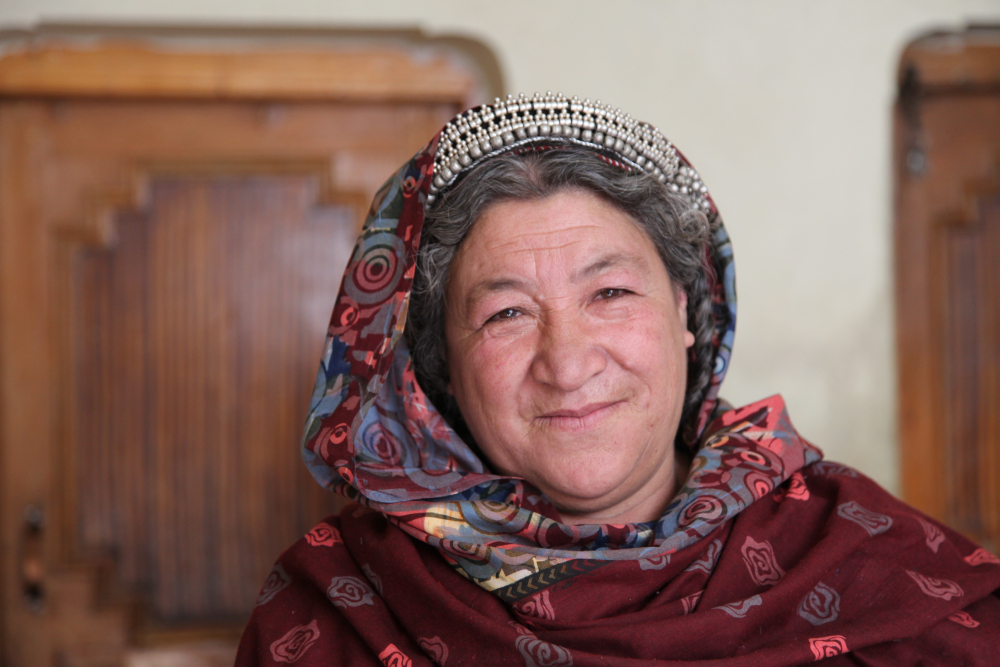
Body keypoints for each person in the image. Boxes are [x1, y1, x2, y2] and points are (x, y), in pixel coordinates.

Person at [236, 93, 1000, 665]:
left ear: (685, 312)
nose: (568, 363)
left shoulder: (871, 563)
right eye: (505, 314)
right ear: (440, 367)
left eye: (610, 293)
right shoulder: (344, 602)